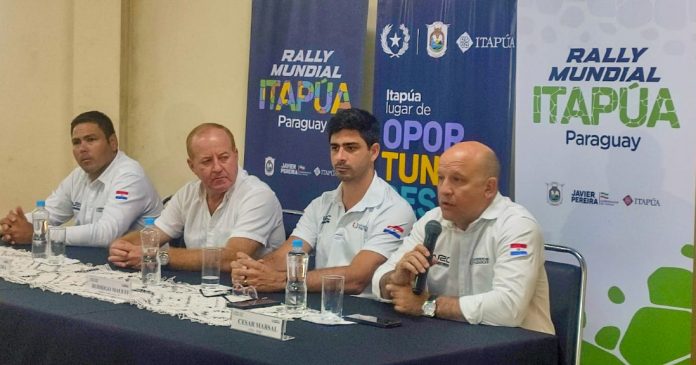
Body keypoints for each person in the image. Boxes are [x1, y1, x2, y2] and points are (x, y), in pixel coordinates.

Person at [372, 141, 555, 334]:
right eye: (441, 178)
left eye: (457, 180)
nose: (444, 189)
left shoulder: (517, 225)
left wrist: (429, 305)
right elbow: (378, 279)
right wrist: (395, 278)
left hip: (519, 347)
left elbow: (508, 308)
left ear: (489, 188)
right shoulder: (433, 221)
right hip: (448, 339)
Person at [231, 108, 416, 297]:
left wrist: (281, 281)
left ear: (374, 152)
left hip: (368, 316)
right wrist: (254, 270)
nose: (340, 157)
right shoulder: (321, 204)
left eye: (351, 148)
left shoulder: (394, 209)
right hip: (319, 307)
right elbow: (288, 254)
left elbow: (357, 279)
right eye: (335, 148)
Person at [108, 123, 285, 271]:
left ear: (236, 155)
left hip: (249, 292)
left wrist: (160, 255)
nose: (217, 168)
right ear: (192, 166)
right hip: (199, 287)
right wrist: (122, 246)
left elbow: (232, 257)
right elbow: (155, 234)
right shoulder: (188, 193)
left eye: (224, 158)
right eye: (207, 161)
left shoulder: (258, 195)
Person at [0, 111, 162, 247]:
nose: (82, 149)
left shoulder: (129, 175)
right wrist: (12, 226)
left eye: (91, 140)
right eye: (76, 142)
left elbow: (106, 234)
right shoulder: (78, 175)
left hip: (147, 265)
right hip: (97, 260)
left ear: (112, 143)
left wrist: (39, 234)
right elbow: (50, 212)